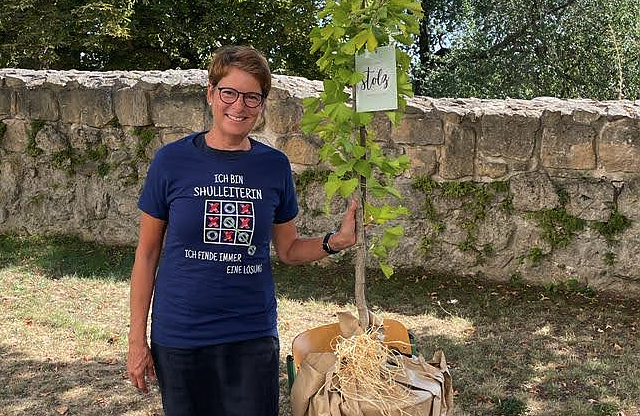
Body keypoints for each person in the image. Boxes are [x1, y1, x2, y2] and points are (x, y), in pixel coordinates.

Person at [126, 45, 357, 416]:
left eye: (252, 97)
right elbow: (147, 253)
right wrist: (137, 340)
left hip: (250, 335)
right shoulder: (171, 161)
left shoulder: (274, 166)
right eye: (229, 92)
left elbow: (288, 249)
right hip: (181, 335)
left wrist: (337, 241)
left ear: (262, 104)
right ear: (211, 94)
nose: (239, 106)